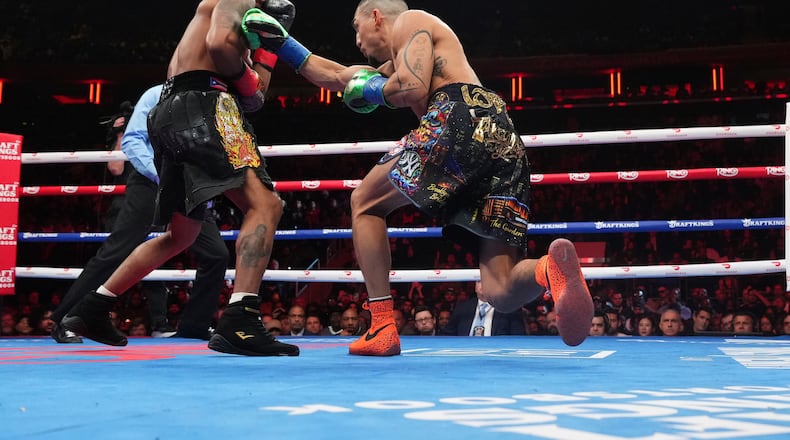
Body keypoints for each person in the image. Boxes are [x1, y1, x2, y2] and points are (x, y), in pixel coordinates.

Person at [246, 0, 593, 355]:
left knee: (364, 202)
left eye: (356, 27)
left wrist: (371, 91)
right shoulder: (401, 58)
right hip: (502, 137)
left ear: (376, 16)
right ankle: (551, 270)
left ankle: (381, 325)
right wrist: (280, 42)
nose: (357, 40)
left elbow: (410, 88)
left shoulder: (411, 22)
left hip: (459, 115)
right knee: (499, 290)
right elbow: (335, 76)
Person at [61, 0, 300, 357]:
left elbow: (255, 98)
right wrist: (257, 58)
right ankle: (241, 321)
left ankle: (93, 308)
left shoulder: (242, 21)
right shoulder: (237, 0)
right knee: (265, 205)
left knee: (182, 234)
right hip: (205, 105)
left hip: (172, 113)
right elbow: (222, 49)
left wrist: (268, 48)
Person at [51, 84, 229, 344]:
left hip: (191, 184)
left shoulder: (216, 98)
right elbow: (133, 140)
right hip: (151, 181)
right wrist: (162, 177)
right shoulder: (157, 94)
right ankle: (64, 319)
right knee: (117, 250)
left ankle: (195, 324)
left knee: (216, 253)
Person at [441, 282, 526, 336]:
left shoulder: (509, 308)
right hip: (466, 351)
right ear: (475, 287)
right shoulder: (463, 307)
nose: (483, 284)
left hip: (495, 354)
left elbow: (518, 337)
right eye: (479, 281)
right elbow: (448, 334)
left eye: (486, 280)